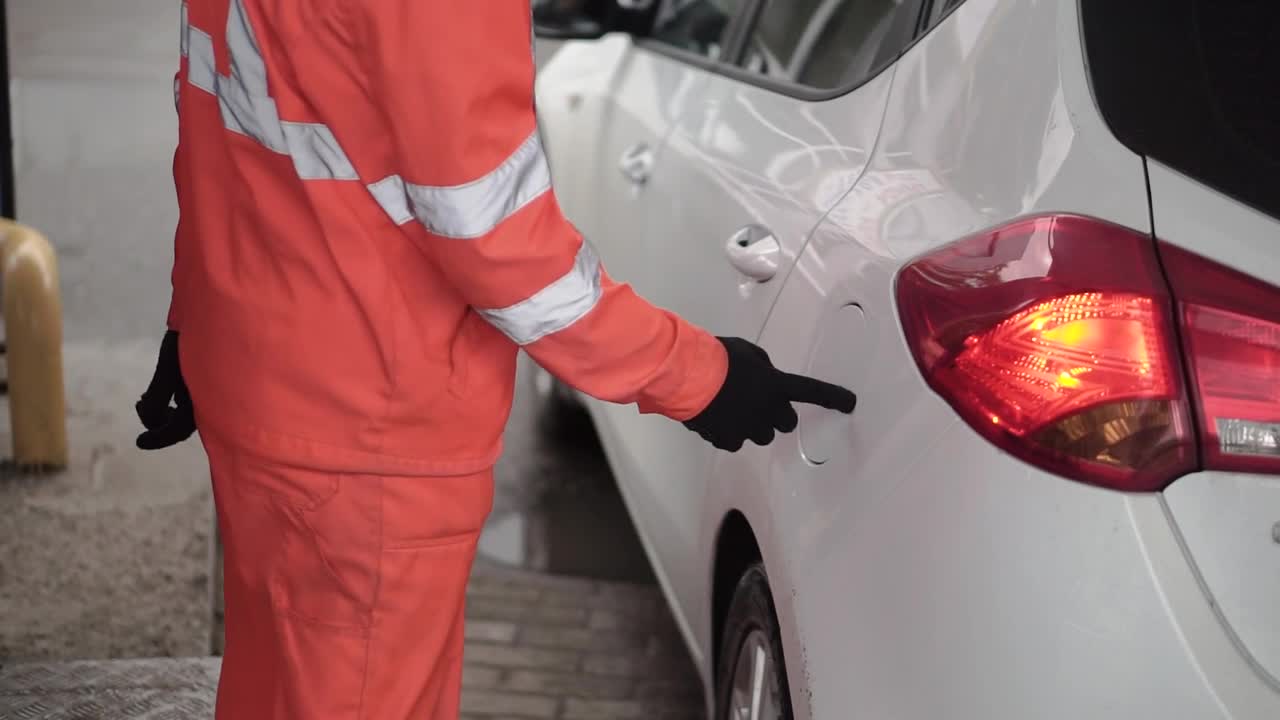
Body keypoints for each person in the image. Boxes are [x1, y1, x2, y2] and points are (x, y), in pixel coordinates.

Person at [135, 1, 855, 717]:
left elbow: (213, 124)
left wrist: (187, 319)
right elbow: (502, 250)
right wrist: (702, 376)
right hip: (369, 439)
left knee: (273, 694)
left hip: (255, 386)